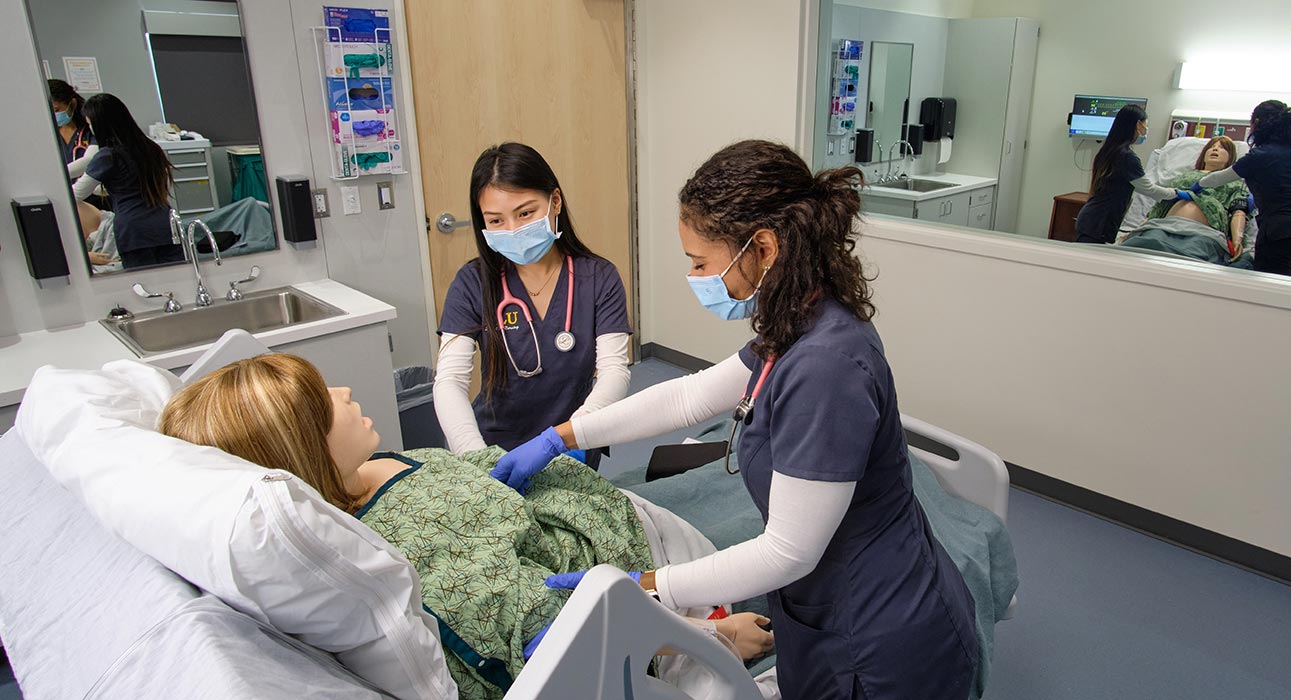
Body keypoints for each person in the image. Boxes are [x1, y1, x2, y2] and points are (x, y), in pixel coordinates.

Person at [491, 140, 980, 699]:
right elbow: (688, 398)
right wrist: (561, 436)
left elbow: (786, 551)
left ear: (764, 247)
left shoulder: (826, 369)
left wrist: (642, 588)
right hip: (827, 605)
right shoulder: (798, 318)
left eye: (700, 262)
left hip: (876, 637)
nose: (694, 275)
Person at [158, 353, 775, 699]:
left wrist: (559, 440)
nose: (345, 389)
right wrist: (712, 636)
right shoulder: (412, 552)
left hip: (612, 515)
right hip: (648, 577)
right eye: (326, 402)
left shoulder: (375, 467)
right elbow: (572, 627)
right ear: (302, 452)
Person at [434, 143, 632, 469]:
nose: (514, 230)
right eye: (496, 221)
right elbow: (450, 381)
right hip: (492, 445)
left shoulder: (598, 277)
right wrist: (474, 453)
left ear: (555, 201)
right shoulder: (473, 282)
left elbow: (614, 371)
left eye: (525, 213)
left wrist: (570, 436)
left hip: (571, 443)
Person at [1192, 100, 1291, 277]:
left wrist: (1199, 184)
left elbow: (1221, 177)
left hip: (1281, 231)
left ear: (1258, 123)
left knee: (1268, 288)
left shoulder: (1259, 156)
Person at [72, 94, 182, 269]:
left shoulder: (108, 156)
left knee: (146, 285)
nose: (90, 129)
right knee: (176, 280)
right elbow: (142, 184)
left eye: (90, 124)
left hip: (135, 231)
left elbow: (75, 194)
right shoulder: (151, 148)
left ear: (100, 125)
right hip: (166, 225)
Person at [1119, 136, 1253, 263]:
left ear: (1231, 157)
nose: (1215, 149)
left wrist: (1237, 240)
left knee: (1188, 262)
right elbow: (1159, 207)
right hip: (1162, 228)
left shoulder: (1233, 183)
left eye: (1222, 147)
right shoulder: (1184, 177)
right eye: (1212, 146)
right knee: (1138, 252)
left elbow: (1239, 211)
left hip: (1201, 234)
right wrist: (1137, 230)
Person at [1075, 104, 1178, 244]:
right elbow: (1149, 189)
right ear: (1138, 125)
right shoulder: (1126, 157)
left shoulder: (1108, 150)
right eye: (1146, 124)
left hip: (1091, 219)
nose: (1147, 129)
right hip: (1099, 224)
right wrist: (1176, 193)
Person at [48, 79, 96, 180]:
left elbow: (89, 161)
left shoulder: (90, 128)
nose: (52, 115)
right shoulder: (49, 134)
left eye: (56, 110)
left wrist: (55, 176)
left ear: (73, 104)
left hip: (91, 192)